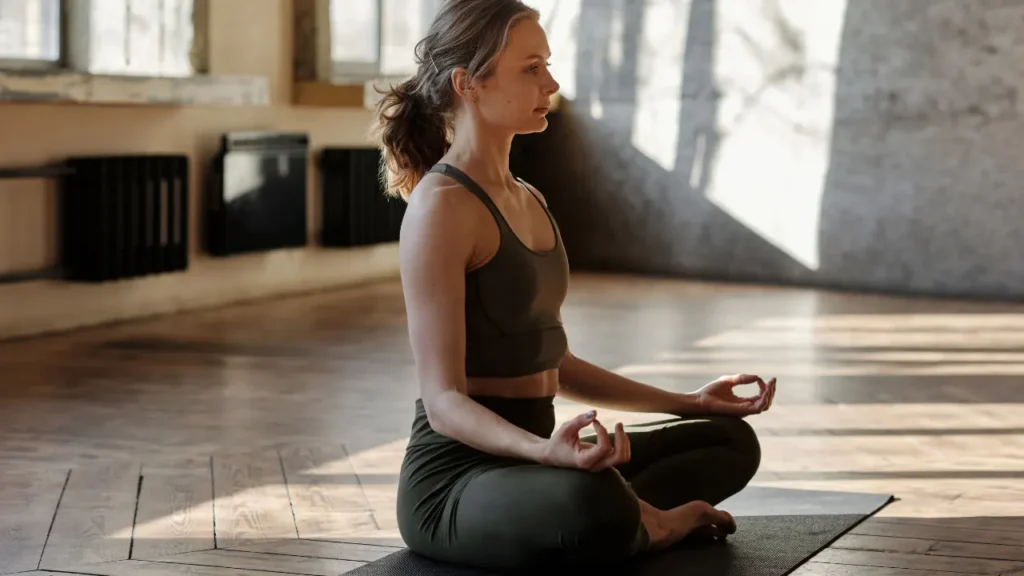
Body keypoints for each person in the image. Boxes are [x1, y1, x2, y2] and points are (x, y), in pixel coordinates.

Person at [372, 0, 777, 570]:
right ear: (469, 83)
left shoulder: (528, 197)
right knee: (594, 500)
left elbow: (551, 363)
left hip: (540, 461)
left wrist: (689, 401)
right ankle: (650, 523)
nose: (552, 82)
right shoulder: (442, 208)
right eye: (531, 68)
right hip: (458, 483)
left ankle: (621, 513)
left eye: (548, 65)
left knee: (728, 440)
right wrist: (544, 452)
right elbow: (443, 403)